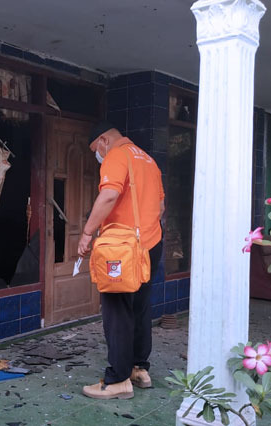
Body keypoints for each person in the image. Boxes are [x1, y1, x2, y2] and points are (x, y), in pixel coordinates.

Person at [77, 122, 164, 400]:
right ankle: (140, 369)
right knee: (139, 308)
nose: (97, 155)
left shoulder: (116, 155)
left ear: (103, 140)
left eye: (95, 150)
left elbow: (110, 194)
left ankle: (117, 380)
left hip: (122, 249)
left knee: (116, 310)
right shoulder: (148, 160)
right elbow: (161, 207)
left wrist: (87, 232)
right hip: (150, 244)